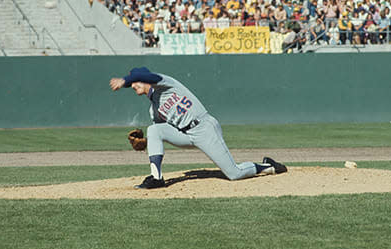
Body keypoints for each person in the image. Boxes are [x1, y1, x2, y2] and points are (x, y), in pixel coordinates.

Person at [109, 67, 287, 189]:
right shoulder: (153, 108)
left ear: (144, 79)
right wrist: (146, 143)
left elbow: (145, 75)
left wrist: (125, 80)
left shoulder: (166, 84)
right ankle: (156, 178)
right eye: (132, 83)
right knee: (154, 130)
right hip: (186, 135)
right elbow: (162, 130)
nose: (133, 85)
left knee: (234, 174)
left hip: (204, 128)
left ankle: (268, 166)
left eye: (136, 81)